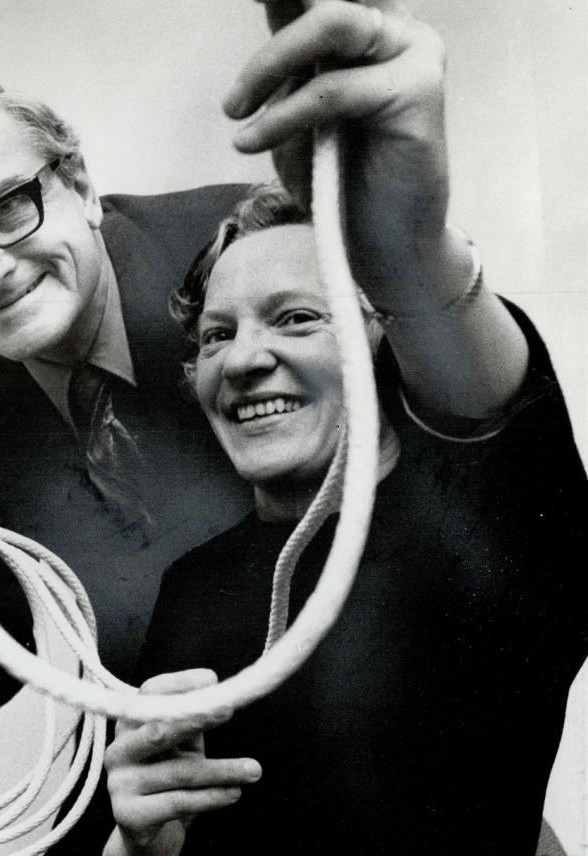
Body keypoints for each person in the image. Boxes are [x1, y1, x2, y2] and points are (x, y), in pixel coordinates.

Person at [0, 0, 580, 852]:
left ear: (78, 185)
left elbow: (484, 454)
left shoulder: (252, 246)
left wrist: (411, 250)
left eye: (9, 207)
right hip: (170, 789)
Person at [103, 185, 588, 855]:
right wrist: (136, 844)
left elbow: (501, 407)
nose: (243, 360)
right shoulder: (191, 588)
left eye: (297, 317)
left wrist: (412, 238)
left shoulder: (482, 527)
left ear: (382, 336)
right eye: (218, 335)